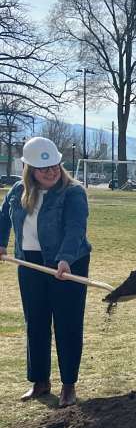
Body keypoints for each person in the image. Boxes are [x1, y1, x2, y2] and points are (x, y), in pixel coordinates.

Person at [0, 137, 90, 407]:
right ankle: (40, 381)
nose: (51, 172)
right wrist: (1, 243)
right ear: (29, 169)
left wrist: (64, 259)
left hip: (68, 263)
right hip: (30, 264)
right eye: (43, 169)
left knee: (67, 324)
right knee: (36, 321)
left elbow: (76, 228)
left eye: (54, 166)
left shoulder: (73, 192)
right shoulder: (18, 191)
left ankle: (68, 385)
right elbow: (3, 216)